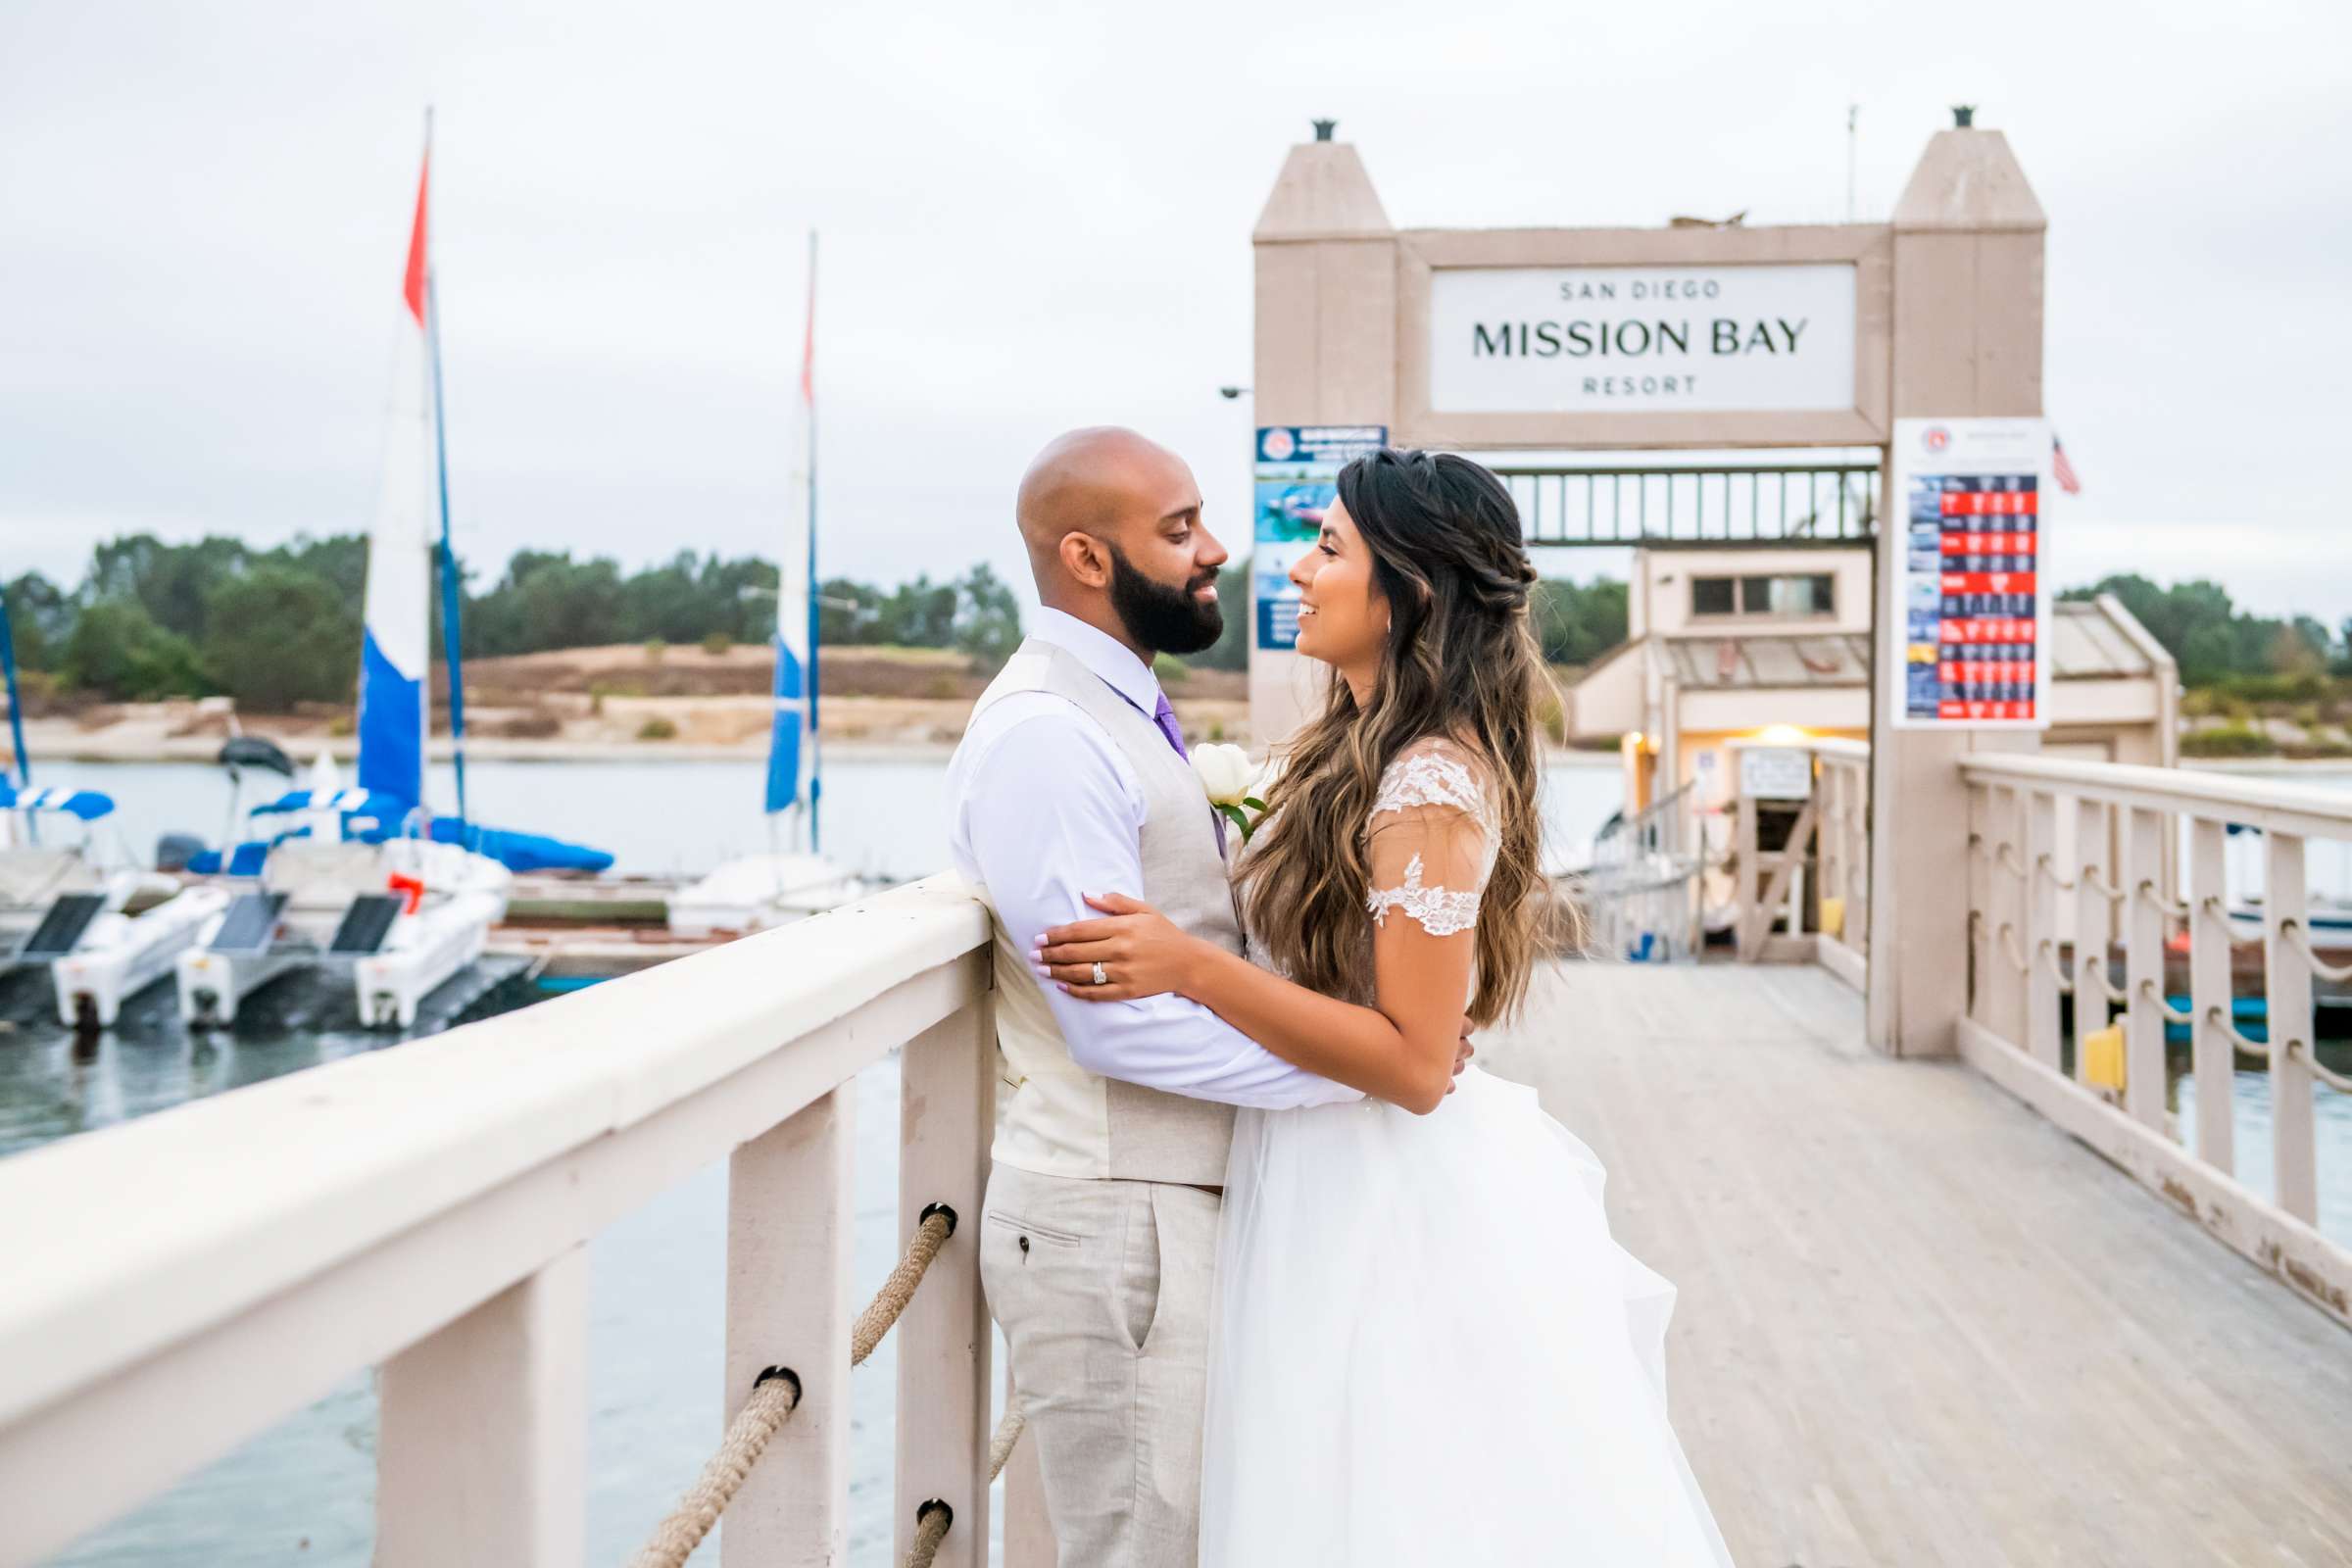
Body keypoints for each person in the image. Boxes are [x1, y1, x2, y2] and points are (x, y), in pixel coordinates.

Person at [1036, 448, 1735, 1563]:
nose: (1298, 575)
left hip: (1378, 1197)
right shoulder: (1352, 754)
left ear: (1410, 585)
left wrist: (1193, 966)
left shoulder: (1430, 783)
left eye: (1327, 549)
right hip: (1305, 1166)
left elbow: (1413, 1066)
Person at [945, 428, 1472, 1566]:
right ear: (1088, 557)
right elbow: (1114, 1019)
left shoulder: (1121, 711)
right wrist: (1365, 1072)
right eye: (1180, 530)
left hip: (1180, 1206)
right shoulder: (1049, 734)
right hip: (1113, 1214)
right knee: (1144, 1546)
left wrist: (1383, 1058)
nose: (1222, 552)